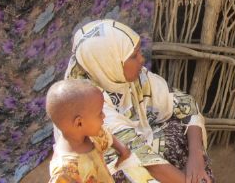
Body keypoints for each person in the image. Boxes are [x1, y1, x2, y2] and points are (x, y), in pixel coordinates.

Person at [63, 20, 213, 183]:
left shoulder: (127, 76)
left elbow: (183, 102)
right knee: (126, 173)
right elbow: (135, 153)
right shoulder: (87, 105)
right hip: (109, 164)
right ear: (110, 62)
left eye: (138, 51)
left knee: (182, 130)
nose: (142, 59)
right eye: (134, 56)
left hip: (136, 144)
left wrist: (196, 156)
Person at [46, 79, 130, 183]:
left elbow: (106, 136)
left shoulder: (91, 135)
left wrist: (123, 150)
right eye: (99, 113)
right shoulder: (65, 171)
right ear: (79, 123)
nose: (104, 116)